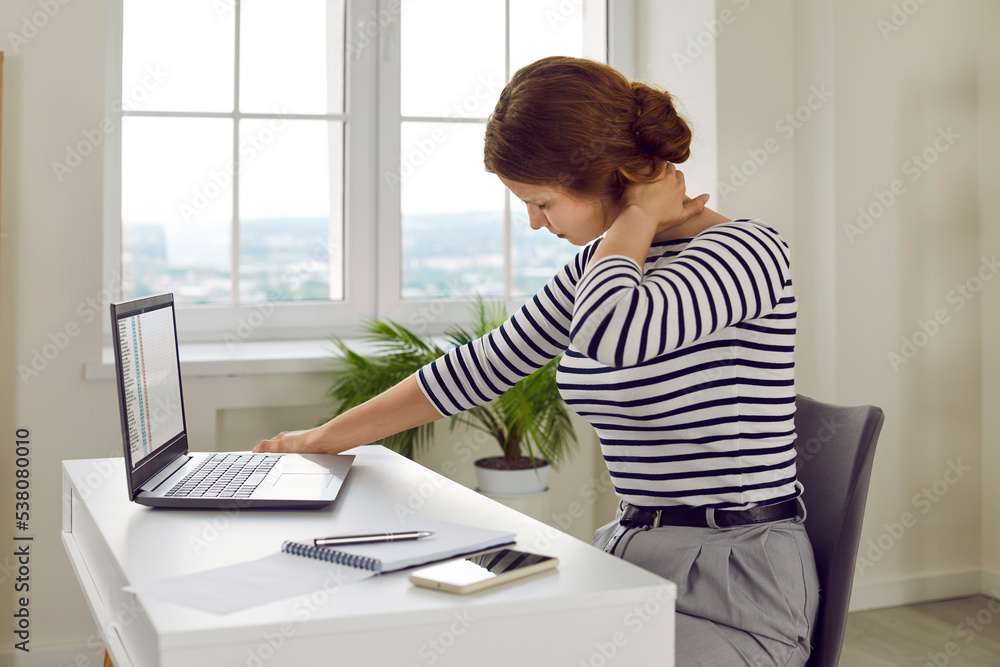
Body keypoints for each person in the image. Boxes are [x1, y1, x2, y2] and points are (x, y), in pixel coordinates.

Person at [255, 56, 819, 666]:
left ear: (616, 178)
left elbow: (614, 334)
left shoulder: (747, 254)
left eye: (543, 203)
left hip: (738, 586)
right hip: (630, 556)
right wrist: (321, 438)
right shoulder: (600, 268)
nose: (533, 222)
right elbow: (477, 368)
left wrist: (634, 217)